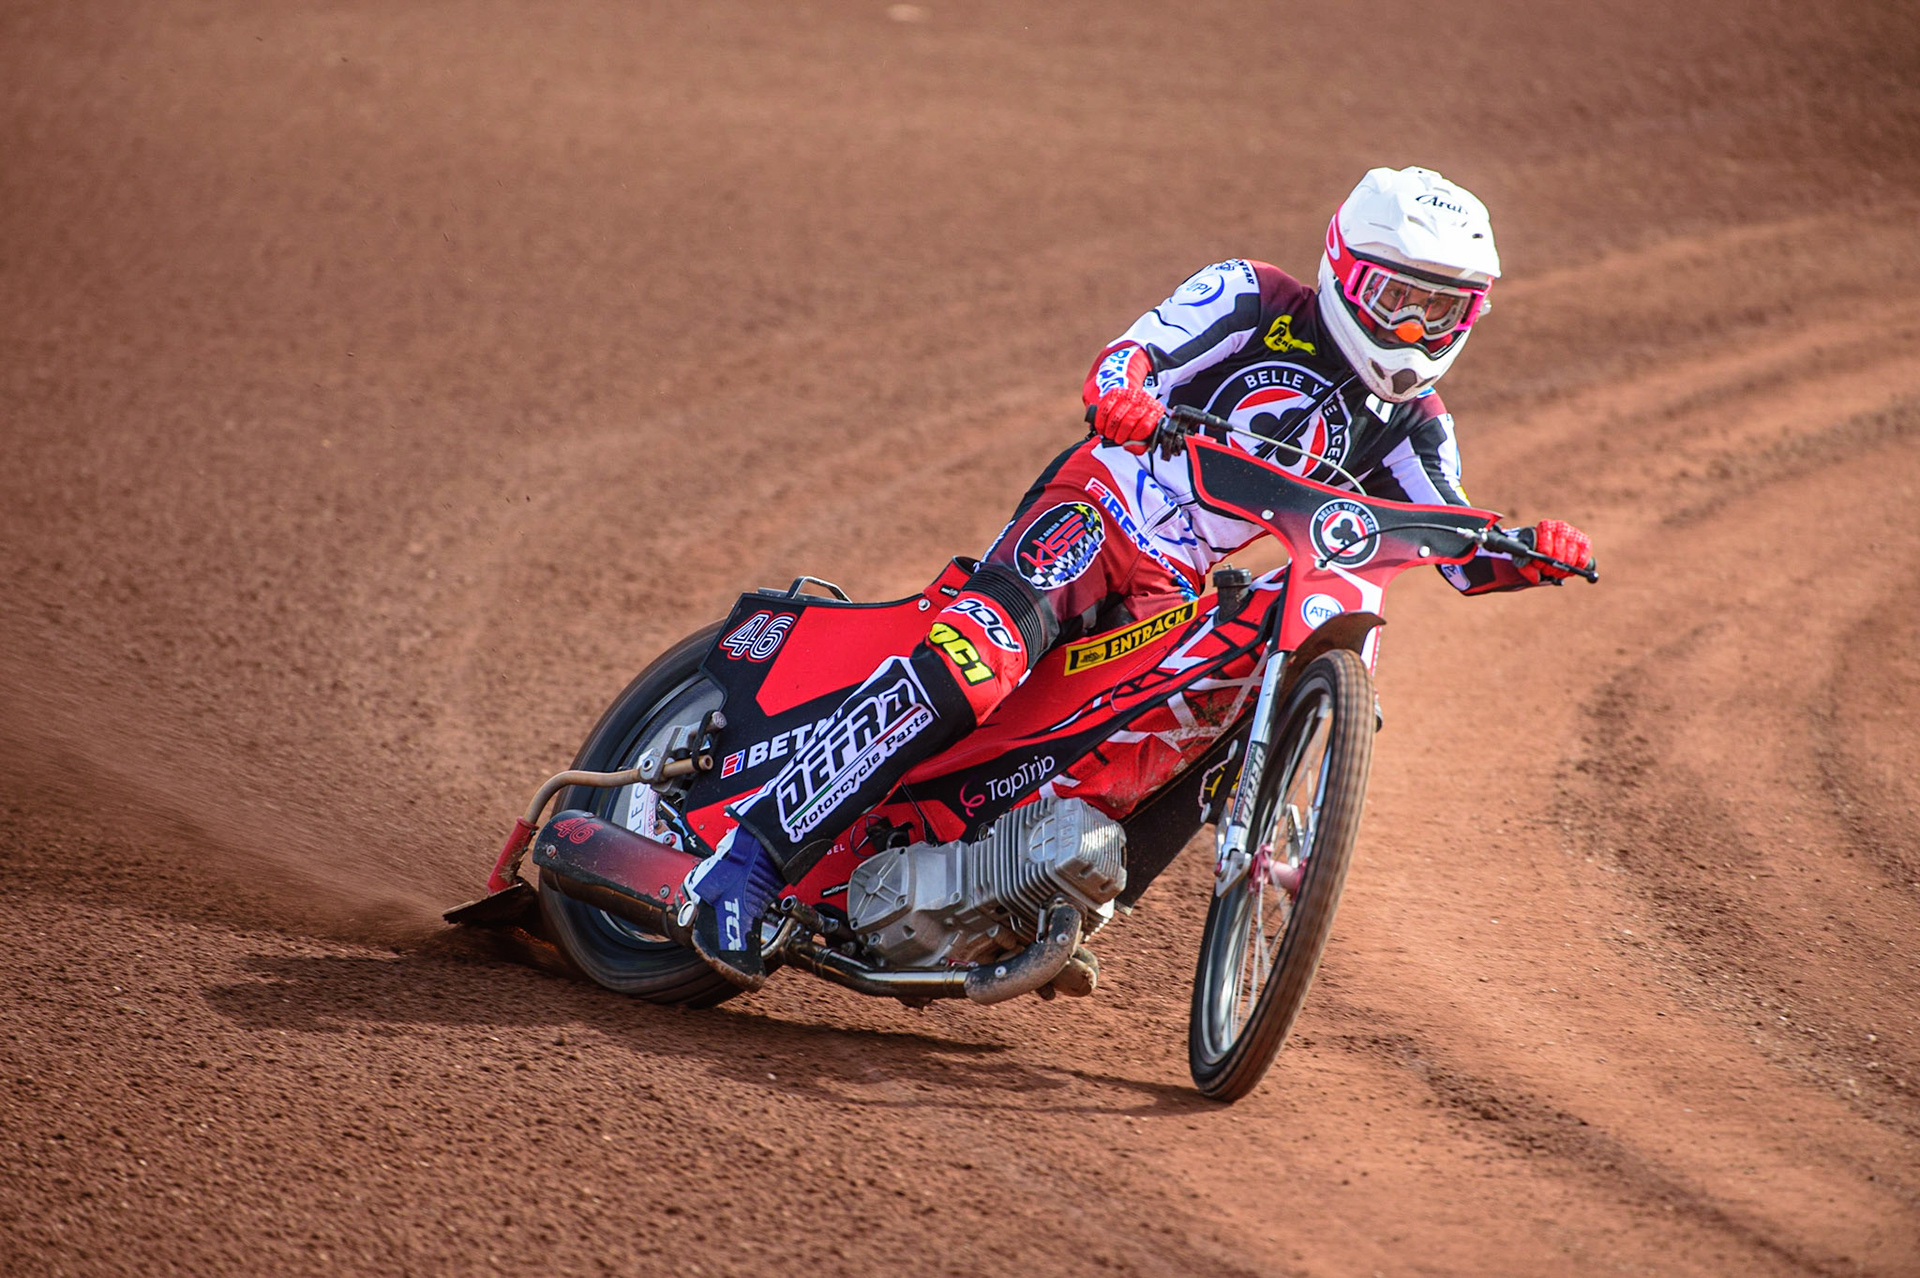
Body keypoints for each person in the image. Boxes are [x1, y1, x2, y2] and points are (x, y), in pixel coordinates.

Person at [684, 165, 1594, 988]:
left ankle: (1057, 895)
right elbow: (1131, 355)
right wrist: (1126, 395)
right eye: (1398, 298)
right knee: (981, 657)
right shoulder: (1251, 296)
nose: (1411, 330)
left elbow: (1456, 542)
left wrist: (1528, 549)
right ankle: (748, 860)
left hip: (1178, 584)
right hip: (1102, 508)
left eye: (1440, 312)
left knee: (1216, 719)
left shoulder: (1414, 424)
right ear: (1344, 272)